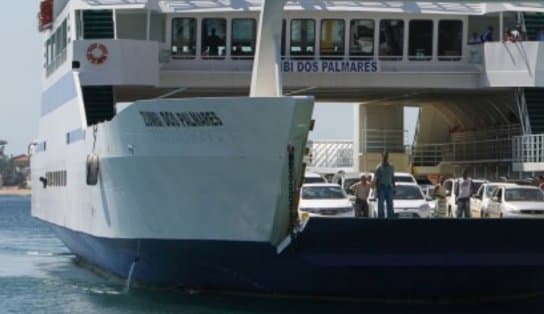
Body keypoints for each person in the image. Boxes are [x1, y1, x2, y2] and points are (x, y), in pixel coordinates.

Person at [374, 152, 395, 218]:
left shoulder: (391, 167)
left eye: (386, 156)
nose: (385, 158)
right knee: (380, 206)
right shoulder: (379, 167)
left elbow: (392, 178)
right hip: (381, 187)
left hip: (389, 187)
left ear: (388, 157)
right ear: (382, 157)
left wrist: (394, 187)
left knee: (390, 205)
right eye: (384, 156)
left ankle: (390, 219)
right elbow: (376, 180)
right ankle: (381, 219)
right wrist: (377, 190)